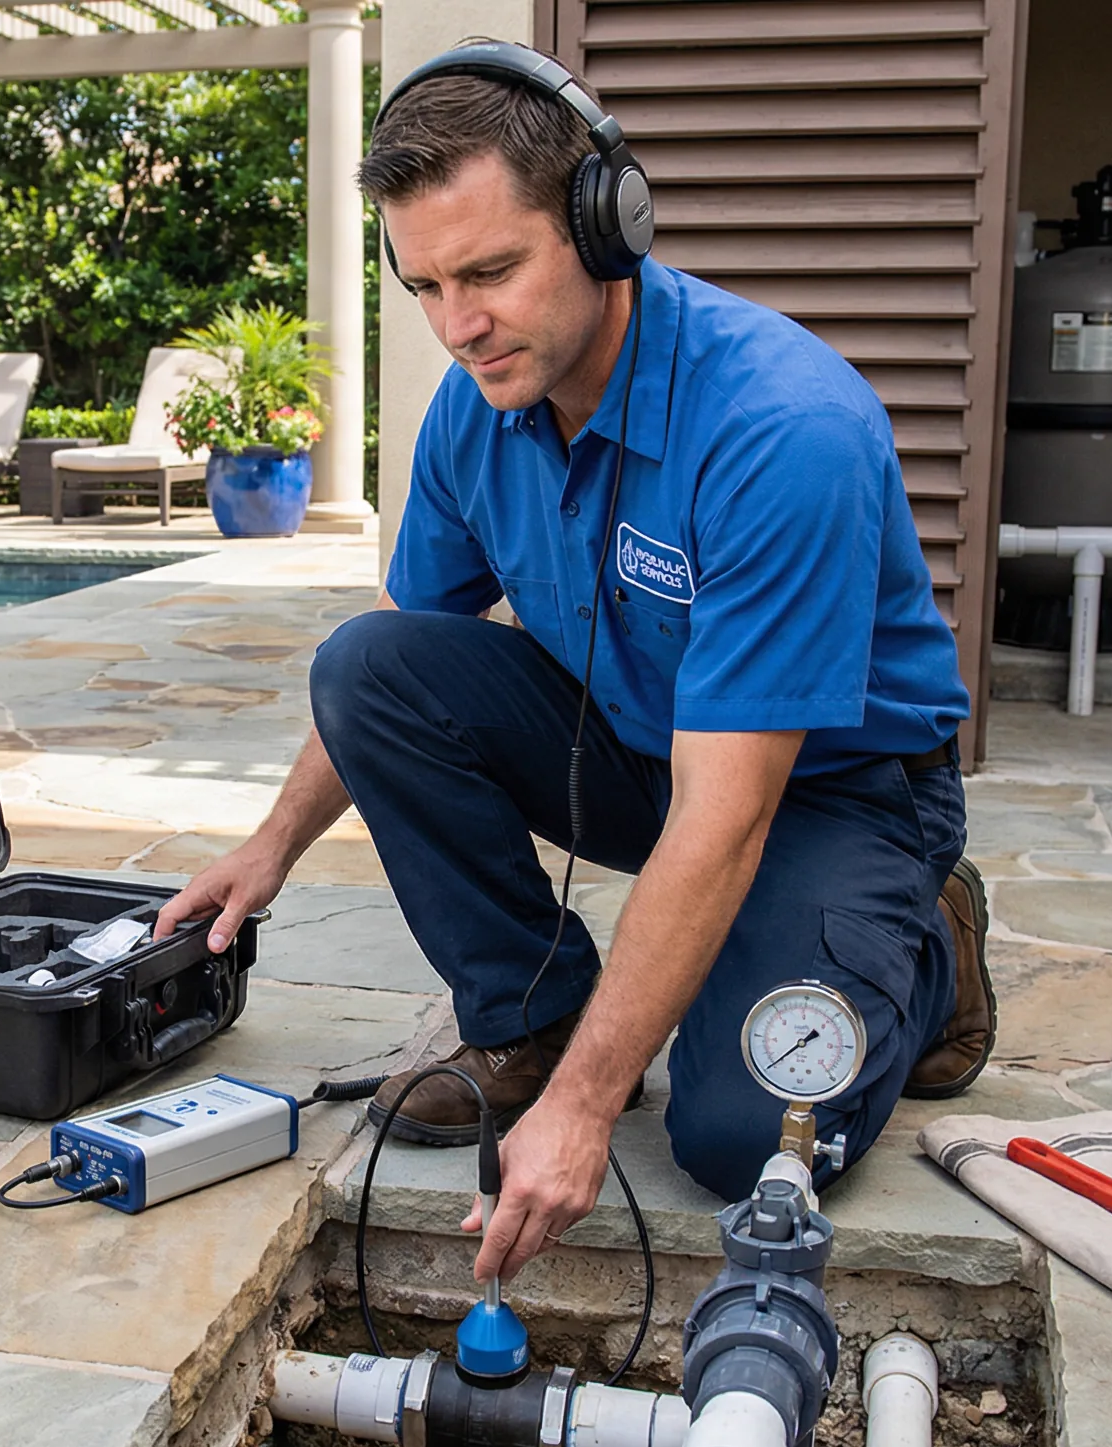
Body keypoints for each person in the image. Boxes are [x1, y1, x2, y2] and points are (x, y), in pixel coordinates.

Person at [153, 41, 995, 1286]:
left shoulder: (780, 431)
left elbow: (725, 815)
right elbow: (394, 664)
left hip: (829, 789)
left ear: (608, 226)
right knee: (372, 663)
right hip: (643, 747)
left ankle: (923, 939)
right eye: (428, 285)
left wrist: (593, 1109)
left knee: (734, 1137)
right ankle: (531, 1017)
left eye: (491, 271)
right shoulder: (474, 405)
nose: (459, 325)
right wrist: (271, 846)